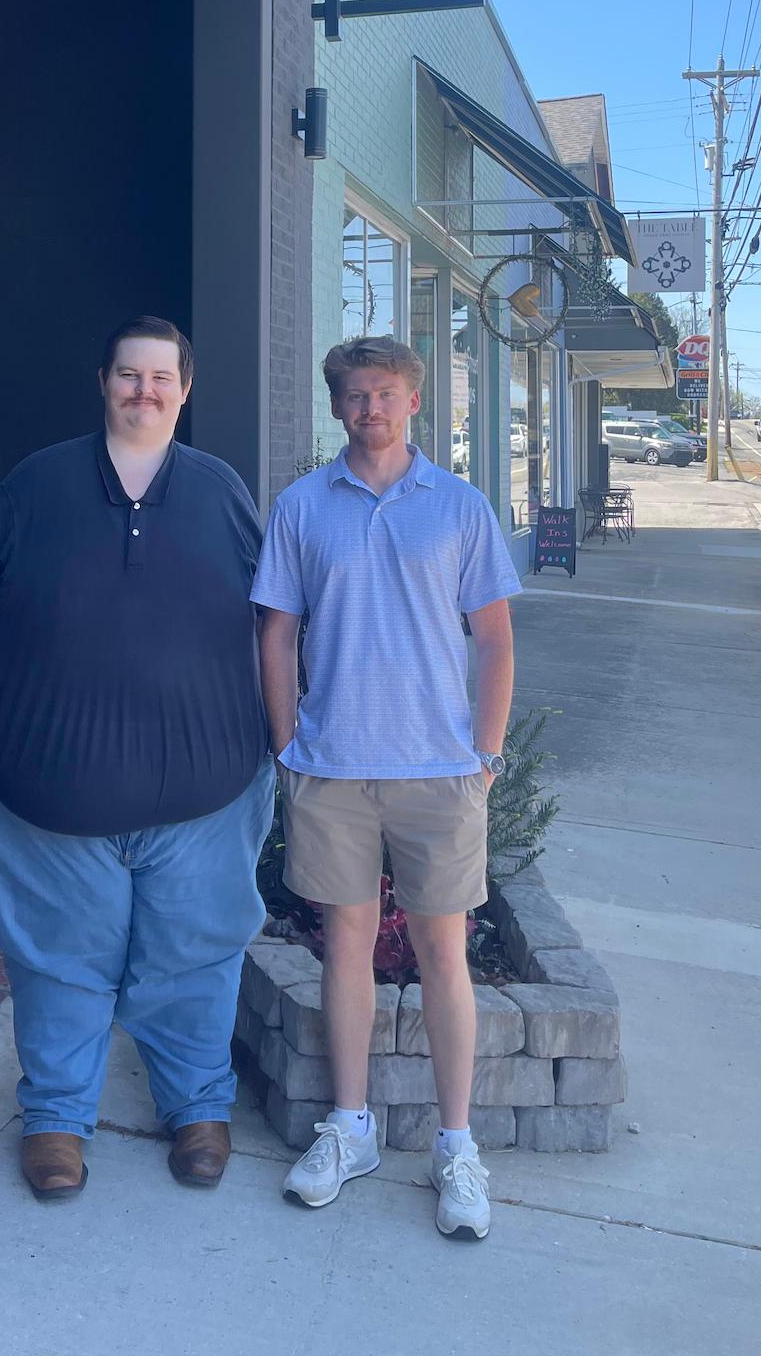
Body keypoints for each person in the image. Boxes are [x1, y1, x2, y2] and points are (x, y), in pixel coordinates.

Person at [0, 317, 273, 1202]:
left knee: (196, 960)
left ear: (185, 389)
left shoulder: (220, 491)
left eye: (161, 377)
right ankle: (56, 1120)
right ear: (103, 383)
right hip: (48, 804)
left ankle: (199, 1110)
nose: (145, 391)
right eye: (129, 375)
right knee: (57, 964)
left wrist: (273, 742)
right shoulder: (38, 483)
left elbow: (265, 624)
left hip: (205, 799)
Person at [252, 335, 520, 1242]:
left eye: (387, 393)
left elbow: (494, 637)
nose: (371, 407)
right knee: (346, 948)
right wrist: (288, 744)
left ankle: (455, 1144)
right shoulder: (300, 507)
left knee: (448, 956)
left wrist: (485, 752)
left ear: (413, 403)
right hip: (332, 770)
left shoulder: (459, 507)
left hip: (439, 772)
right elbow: (277, 632)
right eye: (356, 395)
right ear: (338, 408)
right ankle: (352, 1127)